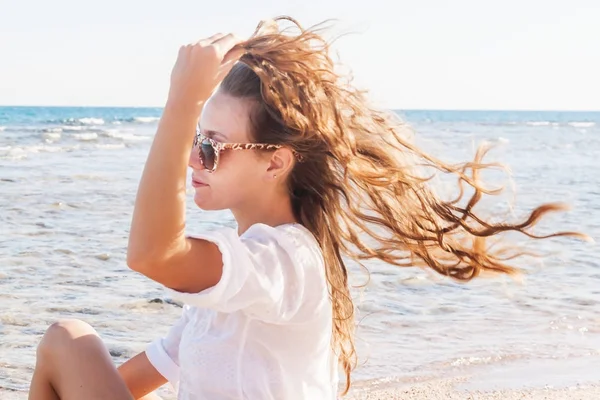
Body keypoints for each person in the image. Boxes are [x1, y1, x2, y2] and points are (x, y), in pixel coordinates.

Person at [28, 16, 587, 400]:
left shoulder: (285, 259)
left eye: (209, 146)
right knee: (66, 346)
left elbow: (152, 254)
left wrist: (182, 103)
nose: (193, 160)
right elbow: (124, 385)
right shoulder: (233, 286)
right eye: (194, 142)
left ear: (275, 162)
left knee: (67, 336)